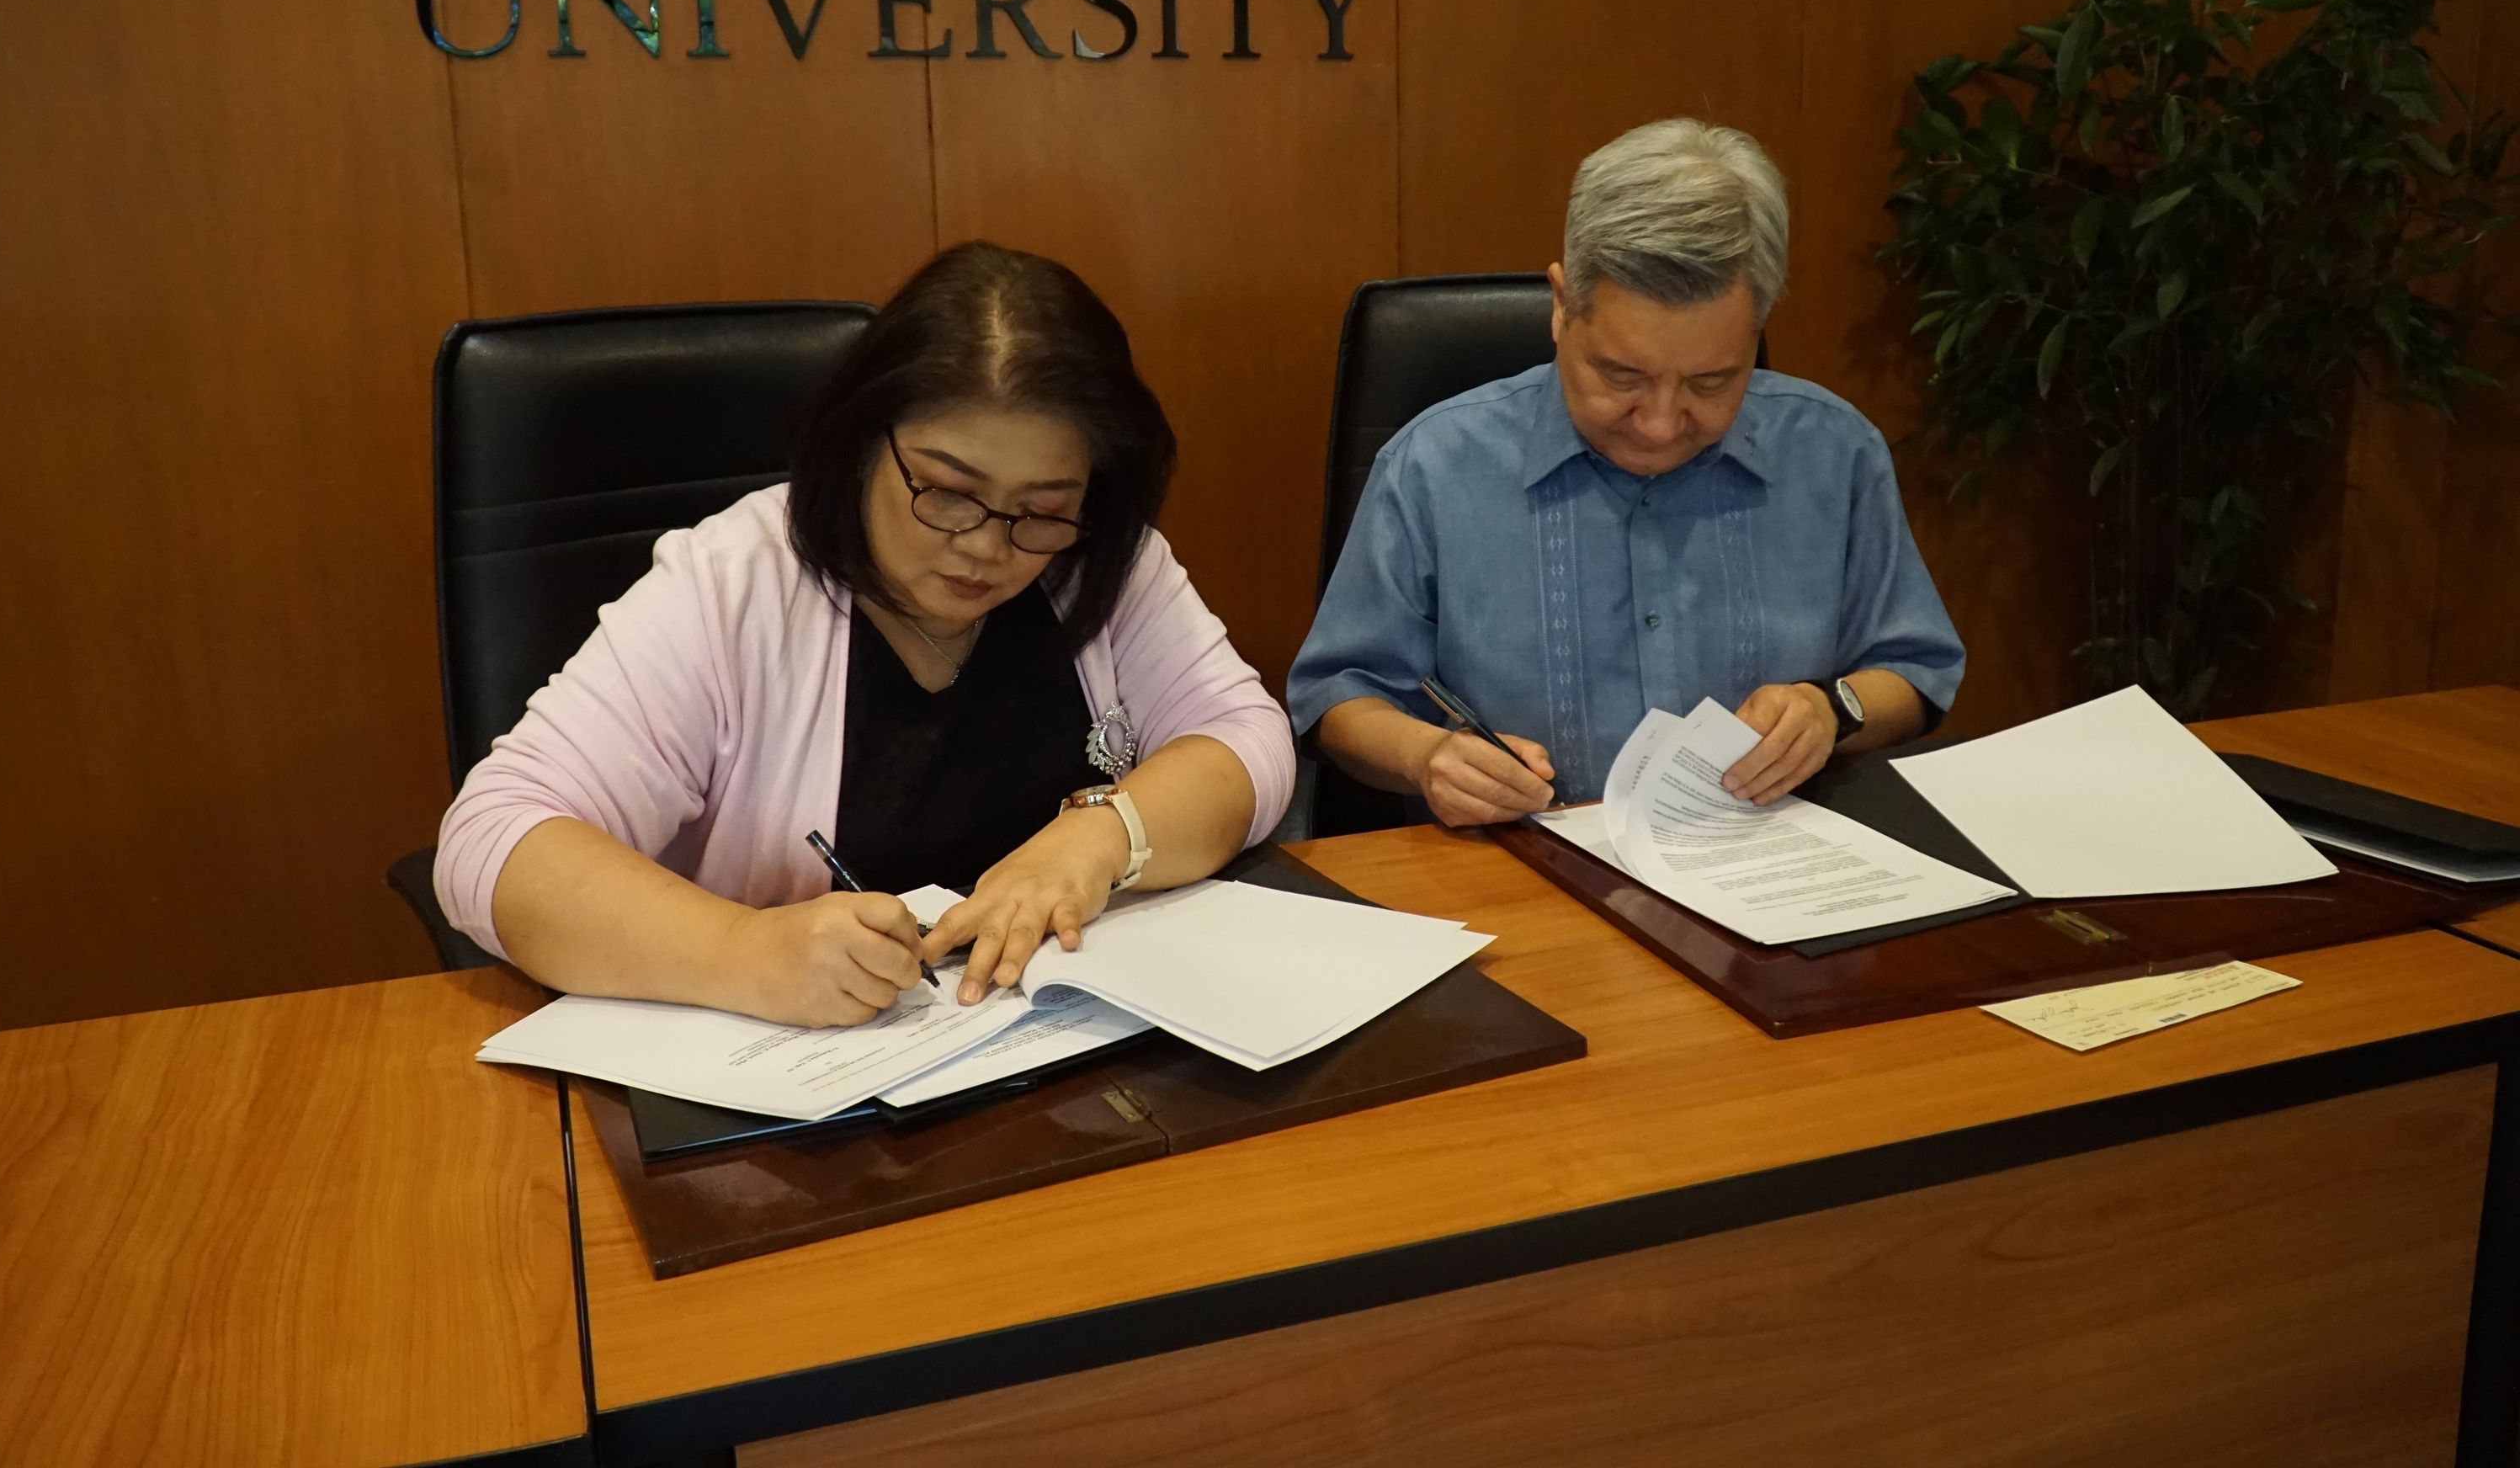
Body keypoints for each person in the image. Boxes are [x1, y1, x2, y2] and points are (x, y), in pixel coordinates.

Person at [437, 242, 1293, 1025]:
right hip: (810, 1105)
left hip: (1059, 1056)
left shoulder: (1098, 561)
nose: (989, 545)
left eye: (1041, 508)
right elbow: (493, 838)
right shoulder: (734, 584)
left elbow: (1247, 741)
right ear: (863, 442)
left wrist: (1100, 836)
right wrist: (746, 951)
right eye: (949, 491)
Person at [1289, 119, 1964, 827]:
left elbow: (1917, 672)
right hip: (1521, 875)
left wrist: (1835, 709)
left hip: (1766, 873)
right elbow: (1338, 694)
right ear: (1561, 306)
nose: (1661, 422)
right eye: (1622, 375)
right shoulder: (1434, 466)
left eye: (1711, 382)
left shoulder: (1833, 452)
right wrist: (1428, 756)